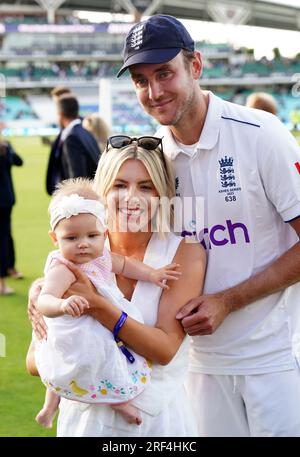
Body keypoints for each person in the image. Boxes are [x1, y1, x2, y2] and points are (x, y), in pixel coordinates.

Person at [114, 14, 300, 437]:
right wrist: (55, 284)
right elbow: (119, 249)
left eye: (165, 73)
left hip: (273, 360)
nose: (154, 91)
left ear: (195, 66)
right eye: (141, 80)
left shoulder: (260, 134)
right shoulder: (153, 156)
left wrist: (228, 300)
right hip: (192, 365)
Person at [27, 136, 205, 437]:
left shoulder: (184, 253)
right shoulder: (74, 252)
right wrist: (45, 307)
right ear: (102, 193)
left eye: (146, 187)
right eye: (119, 185)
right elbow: (34, 362)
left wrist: (96, 305)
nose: (132, 197)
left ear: (163, 193)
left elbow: (163, 350)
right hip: (84, 422)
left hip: (157, 424)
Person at [34, 176, 180, 429]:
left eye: (92, 235)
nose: (83, 244)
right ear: (55, 239)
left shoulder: (100, 254)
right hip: (72, 324)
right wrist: (61, 306)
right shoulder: (62, 268)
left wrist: (152, 274)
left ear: (104, 233)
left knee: (106, 353)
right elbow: (44, 300)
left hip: (96, 320)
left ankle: (117, 398)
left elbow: (125, 265)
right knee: (70, 360)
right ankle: (50, 406)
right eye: (71, 238)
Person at [48, 94, 100, 188]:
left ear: (61, 114)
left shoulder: (71, 138)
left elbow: (77, 180)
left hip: (81, 197)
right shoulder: (86, 132)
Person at [0, 139, 23, 294]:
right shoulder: (5, 146)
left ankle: (9, 269)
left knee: (5, 236)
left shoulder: (5, 146)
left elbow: (19, 161)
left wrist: (8, 150)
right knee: (4, 236)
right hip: (6, 199)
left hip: (5, 200)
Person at [46, 86, 72, 195]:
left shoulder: (78, 128)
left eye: (57, 103)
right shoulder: (65, 128)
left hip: (70, 193)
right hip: (61, 190)